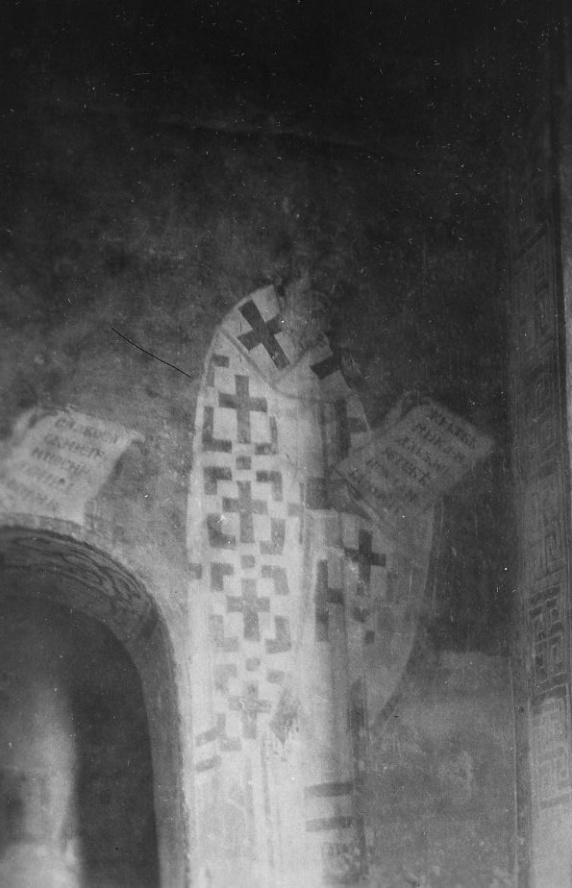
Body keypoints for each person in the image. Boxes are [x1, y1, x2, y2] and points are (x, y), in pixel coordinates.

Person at [185, 268, 435, 886]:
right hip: (281, 584)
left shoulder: (330, 378)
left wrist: (401, 452)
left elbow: (365, 487)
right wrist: (304, 517)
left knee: (333, 745)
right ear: (284, 302)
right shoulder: (243, 353)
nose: (320, 320)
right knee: (287, 750)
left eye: (329, 307)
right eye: (311, 303)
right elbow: (234, 478)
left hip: (329, 589)